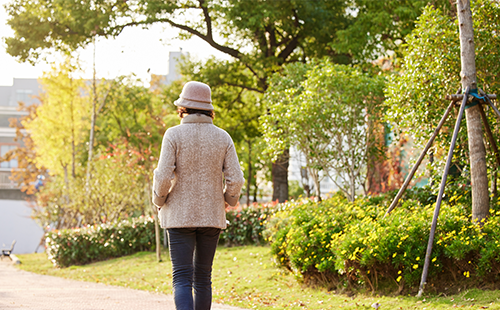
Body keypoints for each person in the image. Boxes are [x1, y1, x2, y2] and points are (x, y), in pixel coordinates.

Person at [152, 81, 245, 310]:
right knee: (203, 277)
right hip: (211, 216)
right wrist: (227, 199)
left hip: (179, 216)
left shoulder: (173, 135)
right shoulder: (223, 137)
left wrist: (159, 200)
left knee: (182, 277)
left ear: (183, 108)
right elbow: (237, 179)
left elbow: (163, 176)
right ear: (209, 109)